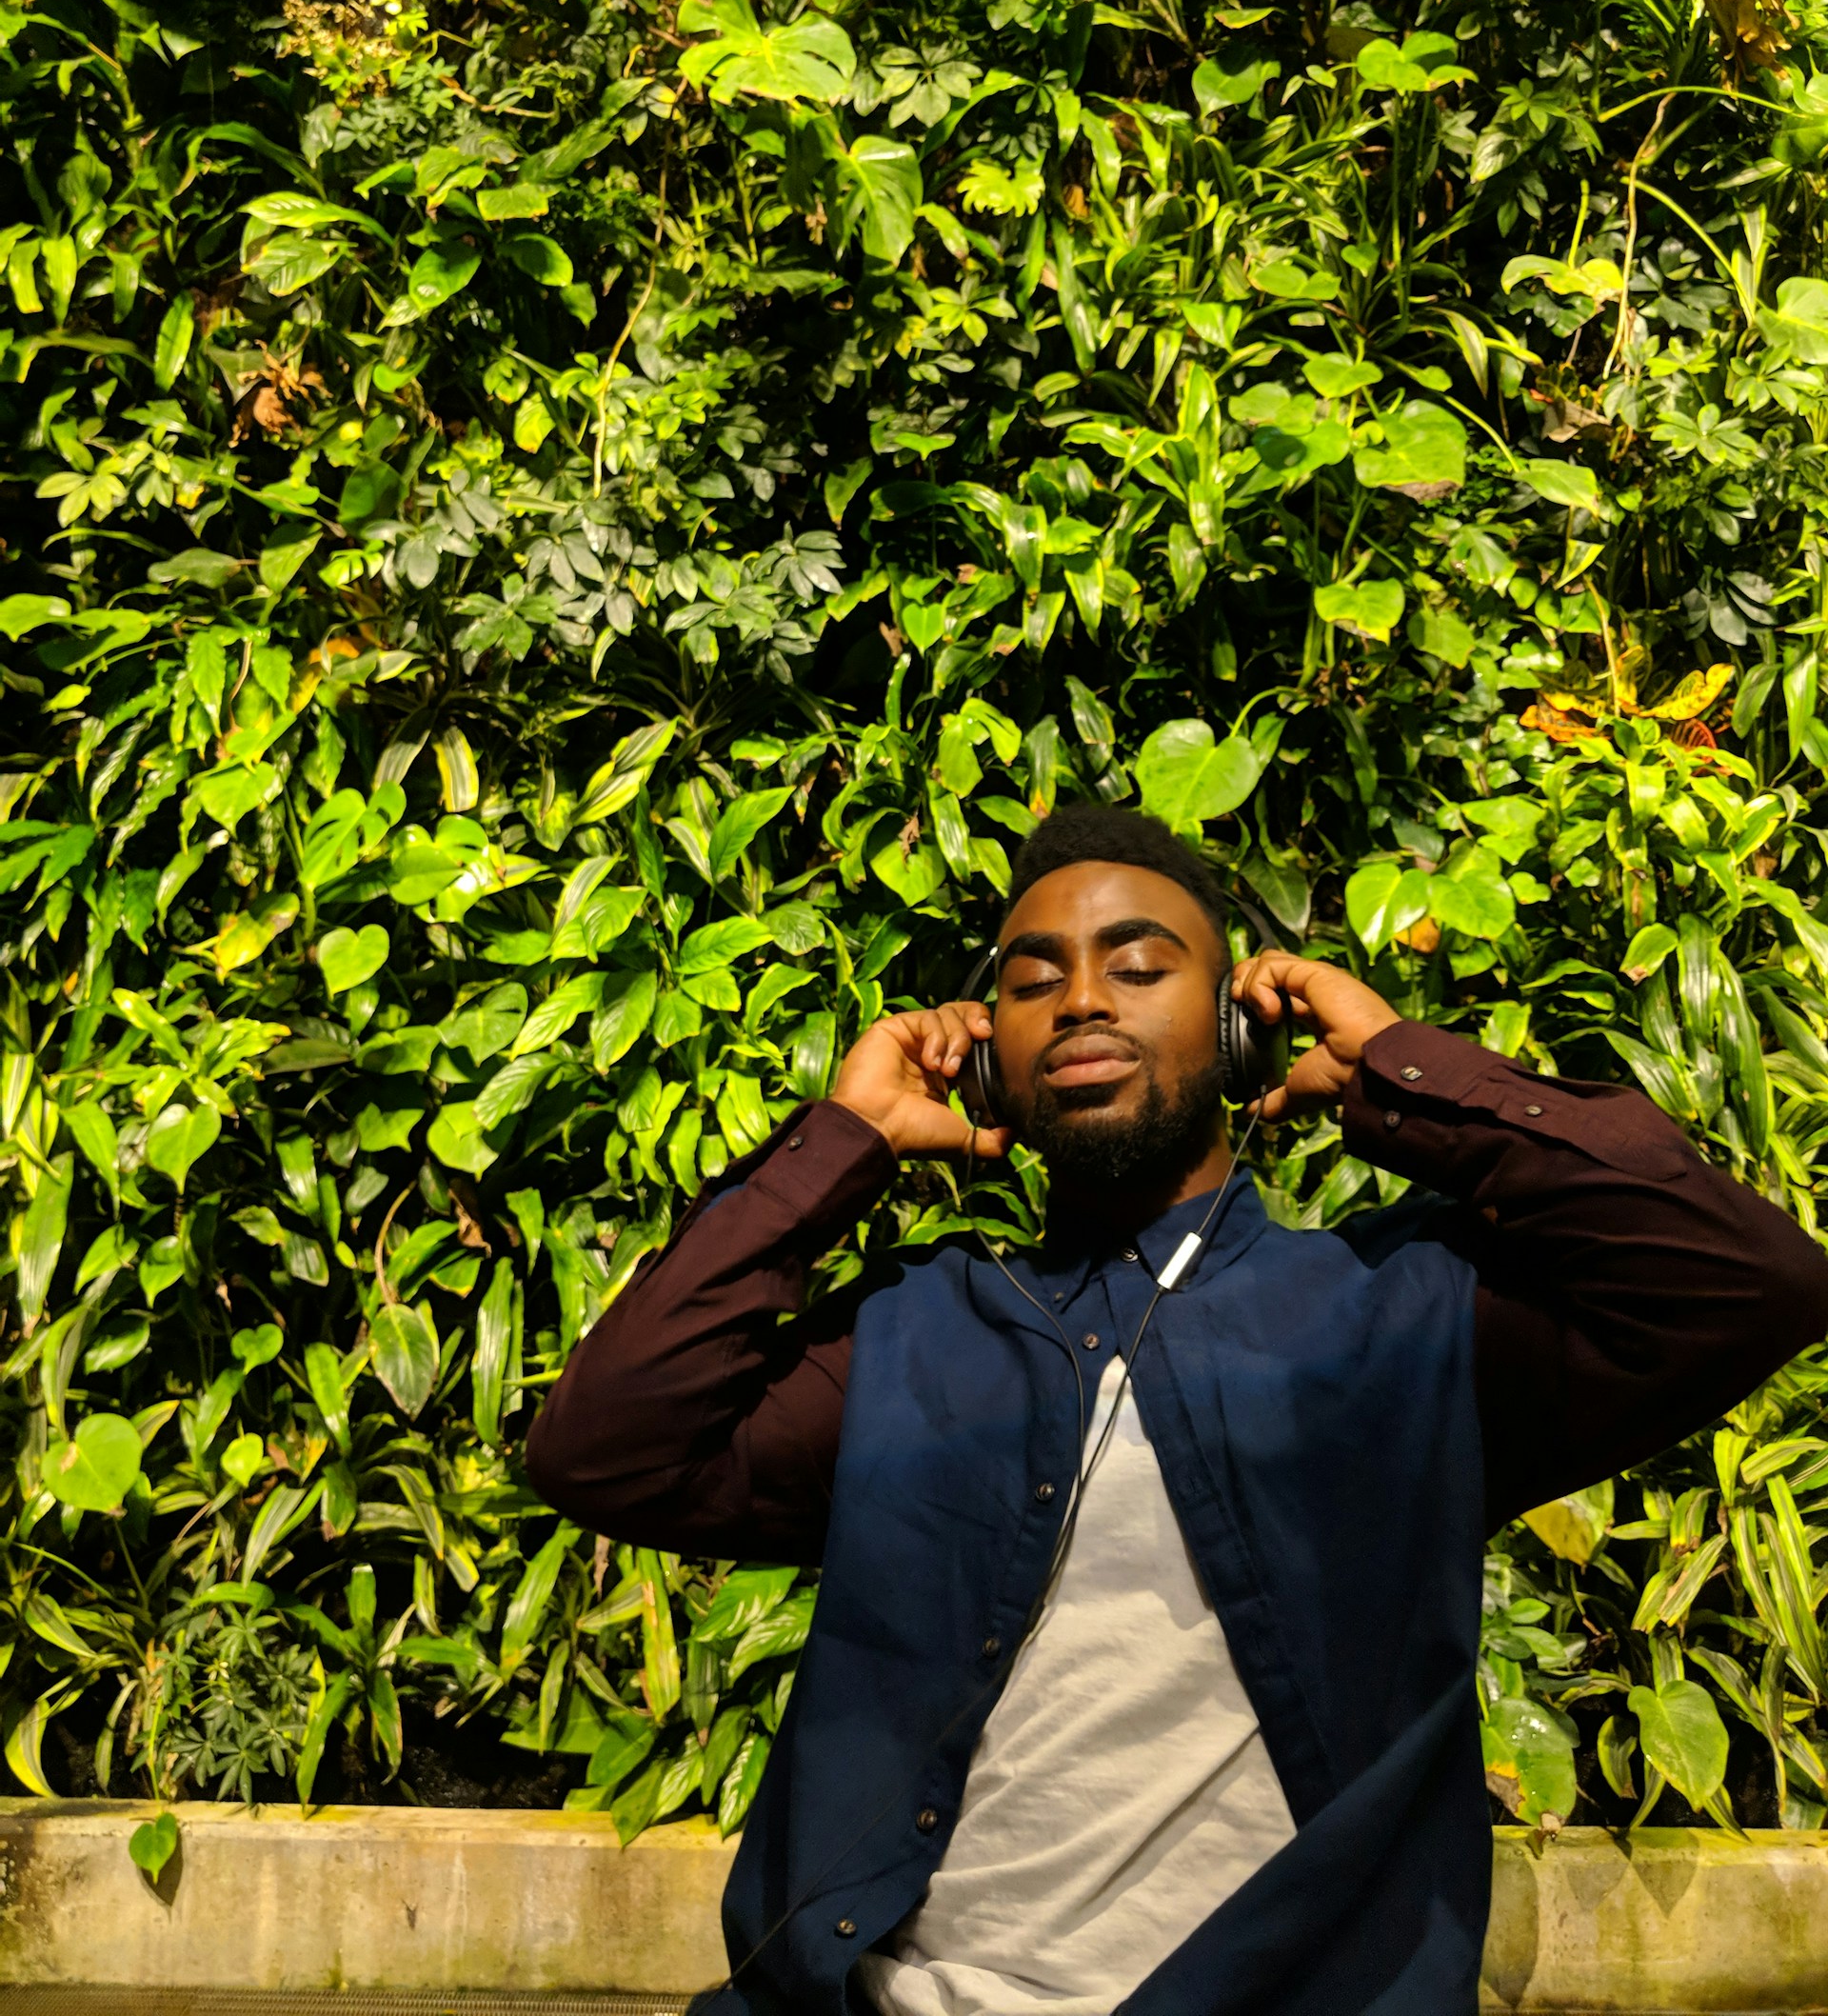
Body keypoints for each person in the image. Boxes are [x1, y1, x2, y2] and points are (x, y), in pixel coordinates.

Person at [525, 805, 1828, 2016]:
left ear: (1238, 1024)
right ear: (989, 1061)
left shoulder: (1407, 1316)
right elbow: (606, 1447)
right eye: (1032, 979)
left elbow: (1743, 1280)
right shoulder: (906, 1338)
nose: (1082, 998)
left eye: (1139, 966)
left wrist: (1394, 1068)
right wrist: (845, 1141)